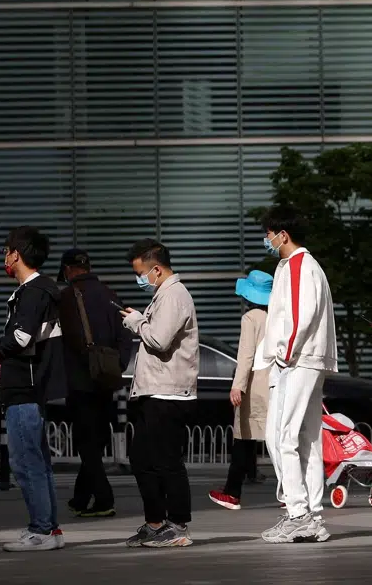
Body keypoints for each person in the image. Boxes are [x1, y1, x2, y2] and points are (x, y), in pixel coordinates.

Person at [258, 207, 338, 545]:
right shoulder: (307, 265)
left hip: (297, 360)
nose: (267, 240)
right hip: (309, 360)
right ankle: (311, 515)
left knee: (280, 438)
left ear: (282, 234)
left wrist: (285, 353)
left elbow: (299, 316)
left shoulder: (297, 265)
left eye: (269, 233)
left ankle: (298, 514)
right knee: (306, 439)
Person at [121, 239, 200, 548]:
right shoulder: (163, 295)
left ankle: (178, 525)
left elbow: (159, 339)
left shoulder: (174, 295)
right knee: (142, 458)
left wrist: (136, 321)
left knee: (166, 461)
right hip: (154, 391)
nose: (139, 279)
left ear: (156, 269)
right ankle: (156, 522)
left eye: (141, 273)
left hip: (169, 394)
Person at [0, 226, 67, 552]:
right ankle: (49, 529)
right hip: (32, 388)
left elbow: (20, 339)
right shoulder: (42, 290)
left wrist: (0, 345)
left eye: (7, 250)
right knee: (37, 462)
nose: (4, 256)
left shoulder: (33, 291)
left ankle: (41, 530)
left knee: (25, 462)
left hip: (24, 388)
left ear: (17, 254)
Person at [57, 249, 124, 520]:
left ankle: (104, 499)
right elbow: (124, 333)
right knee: (97, 439)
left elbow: (66, 340)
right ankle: (81, 498)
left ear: (67, 269)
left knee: (87, 442)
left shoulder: (66, 298)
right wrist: (115, 365)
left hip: (80, 380)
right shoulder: (109, 294)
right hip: (106, 378)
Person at [210, 270, 273, 510]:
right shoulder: (275, 316)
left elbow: (245, 355)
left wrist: (237, 385)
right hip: (273, 382)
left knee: (242, 437)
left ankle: (232, 492)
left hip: (254, 384)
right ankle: (289, 493)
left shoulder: (251, 318)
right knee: (276, 441)